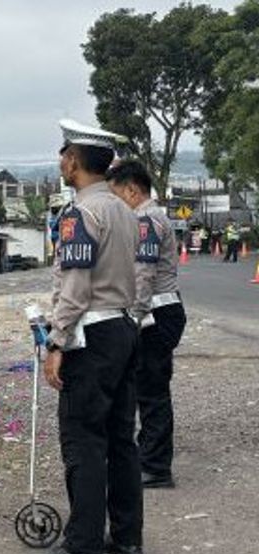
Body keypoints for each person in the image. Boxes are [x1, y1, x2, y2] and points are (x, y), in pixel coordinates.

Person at [27, 119, 142, 554]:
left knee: (83, 440)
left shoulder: (79, 215)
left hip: (90, 336)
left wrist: (56, 341)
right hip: (123, 329)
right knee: (120, 439)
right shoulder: (123, 211)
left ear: (73, 161)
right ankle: (127, 537)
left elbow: (75, 288)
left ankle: (83, 545)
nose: (60, 160)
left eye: (62, 152)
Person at [108, 160, 186, 489]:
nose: (114, 203)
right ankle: (149, 458)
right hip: (156, 313)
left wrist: (133, 317)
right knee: (146, 388)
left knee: (152, 391)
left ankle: (155, 467)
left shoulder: (146, 220)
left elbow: (143, 274)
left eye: (116, 195)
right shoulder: (146, 218)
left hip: (155, 314)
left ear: (132, 190)